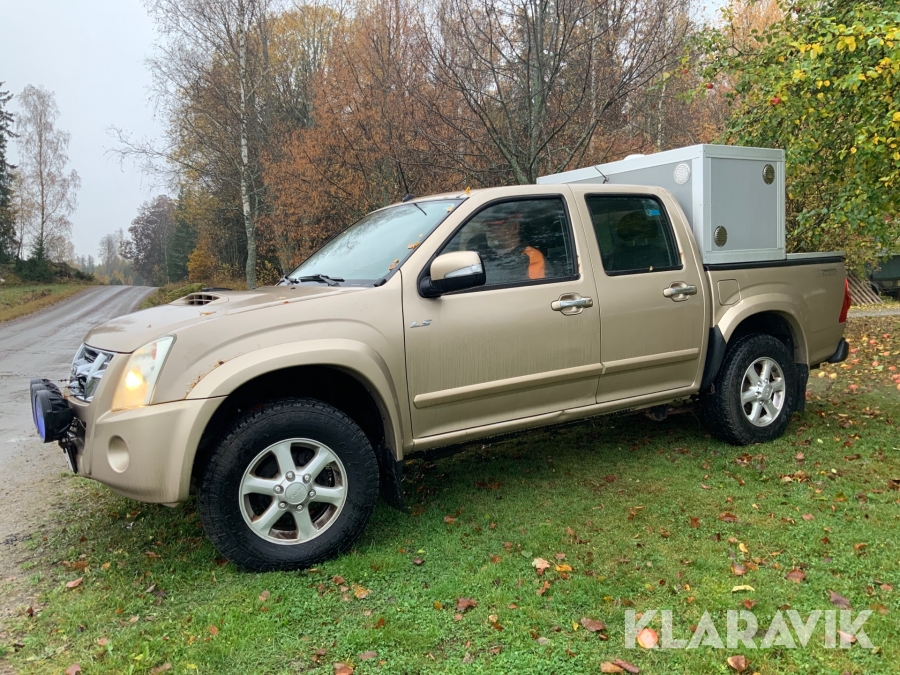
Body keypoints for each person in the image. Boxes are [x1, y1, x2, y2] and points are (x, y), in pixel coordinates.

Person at [474, 211, 546, 284]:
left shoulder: (532, 257)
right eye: (487, 226)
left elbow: (534, 289)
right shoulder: (483, 256)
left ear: (515, 228)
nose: (489, 230)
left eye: (495, 226)